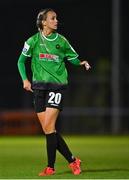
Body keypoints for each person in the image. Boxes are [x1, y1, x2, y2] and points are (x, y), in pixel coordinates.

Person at [17, 8, 91, 176]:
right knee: (48, 130)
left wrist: (81, 63)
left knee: (49, 127)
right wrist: (25, 80)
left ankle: (50, 167)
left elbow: (71, 57)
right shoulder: (32, 41)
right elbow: (20, 62)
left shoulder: (62, 41)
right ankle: (73, 160)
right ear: (43, 22)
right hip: (38, 88)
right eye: (52, 18)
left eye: (56, 18)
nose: (56, 21)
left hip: (56, 86)